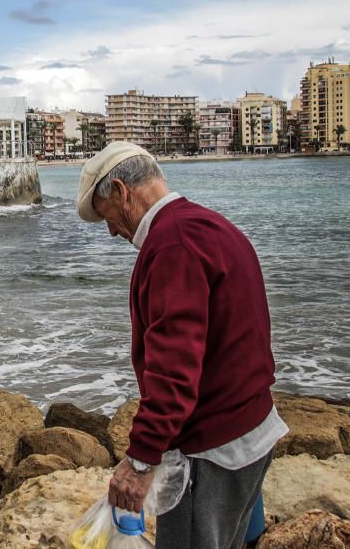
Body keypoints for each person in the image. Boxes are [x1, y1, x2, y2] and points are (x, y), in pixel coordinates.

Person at [75, 142, 287, 549]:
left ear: (121, 191)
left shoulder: (172, 246)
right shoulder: (209, 224)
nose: (112, 231)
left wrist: (140, 460)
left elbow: (174, 369)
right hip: (252, 426)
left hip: (212, 448)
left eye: (107, 217)